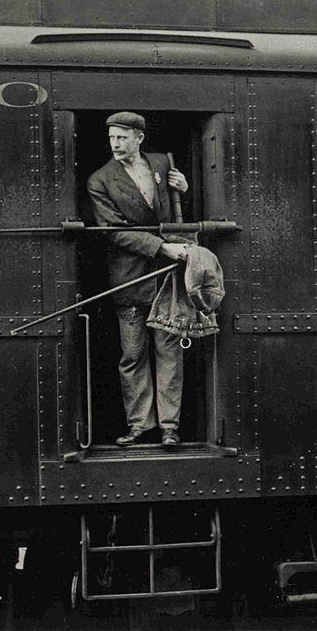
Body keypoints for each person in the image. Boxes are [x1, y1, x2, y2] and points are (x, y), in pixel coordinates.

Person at [87, 112, 190, 447]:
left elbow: (171, 209)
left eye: (122, 137)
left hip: (167, 279)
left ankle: (170, 426)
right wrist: (164, 247)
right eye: (112, 138)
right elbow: (113, 231)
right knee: (133, 355)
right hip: (129, 279)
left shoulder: (161, 163)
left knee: (169, 353)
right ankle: (140, 424)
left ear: (139, 138)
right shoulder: (100, 180)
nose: (115, 144)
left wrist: (184, 188)